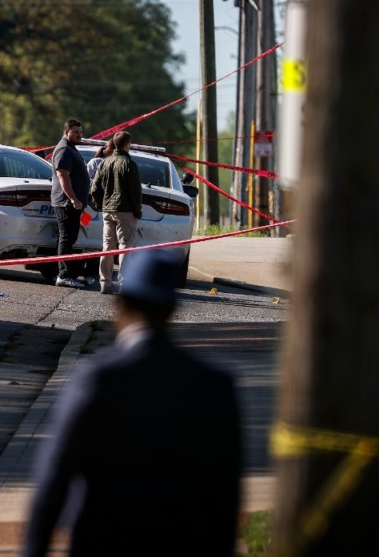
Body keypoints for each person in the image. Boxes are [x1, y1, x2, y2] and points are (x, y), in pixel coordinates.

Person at [23, 249, 242, 557]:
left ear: (121, 307)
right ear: (170, 312)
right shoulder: (215, 385)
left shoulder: (97, 378)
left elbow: (56, 474)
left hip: (103, 541)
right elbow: (226, 491)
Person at [89, 131, 142, 294]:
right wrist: (137, 211)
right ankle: (124, 284)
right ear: (127, 145)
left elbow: (95, 188)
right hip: (125, 211)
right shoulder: (129, 164)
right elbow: (135, 191)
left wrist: (100, 205)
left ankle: (105, 283)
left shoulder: (104, 163)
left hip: (107, 210)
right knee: (125, 247)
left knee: (107, 247)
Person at [51, 118, 92, 288]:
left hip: (73, 203)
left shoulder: (70, 149)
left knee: (68, 238)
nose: (79, 135)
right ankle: (64, 275)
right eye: (75, 132)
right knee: (67, 238)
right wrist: (74, 199)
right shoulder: (64, 150)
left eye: (80, 132)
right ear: (66, 132)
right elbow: (63, 175)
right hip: (67, 203)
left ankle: (64, 273)